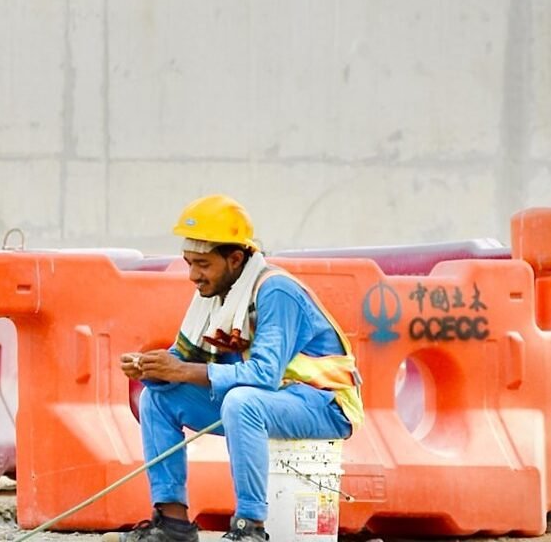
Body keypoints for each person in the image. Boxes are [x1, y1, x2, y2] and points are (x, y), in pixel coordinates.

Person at [107, 194, 363, 542]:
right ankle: (172, 524)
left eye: (202, 264)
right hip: (268, 402)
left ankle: (250, 528)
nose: (193, 276)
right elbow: (184, 359)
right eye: (188, 263)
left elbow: (263, 376)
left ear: (235, 259)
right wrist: (153, 370)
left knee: (242, 402)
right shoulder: (215, 294)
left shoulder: (275, 292)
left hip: (323, 405)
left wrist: (180, 372)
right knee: (156, 398)